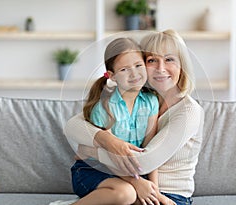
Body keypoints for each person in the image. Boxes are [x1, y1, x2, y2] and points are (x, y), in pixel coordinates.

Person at [64, 29, 204, 205]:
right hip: (131, 183)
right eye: (152, 60)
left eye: (169, 59)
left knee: (125, 194)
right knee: (125, 194)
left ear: (182, 65)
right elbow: (73, 126)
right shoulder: (139, 98)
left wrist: (91, 150)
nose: (161, 68)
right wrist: (107, 140)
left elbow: (144, 161)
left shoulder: (189, 111)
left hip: (169, 194)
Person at [70, 37, 160, 205]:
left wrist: (155, 191)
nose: (134, 73)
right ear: (112, 76)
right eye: (124, 69)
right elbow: (107, 157)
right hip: (93, 169)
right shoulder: (104, 106)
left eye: (138, 66)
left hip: (128, 173)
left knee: (144, 199)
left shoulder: (150, 102)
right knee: (127, 194)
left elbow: (151, 151)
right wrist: (137, 182)